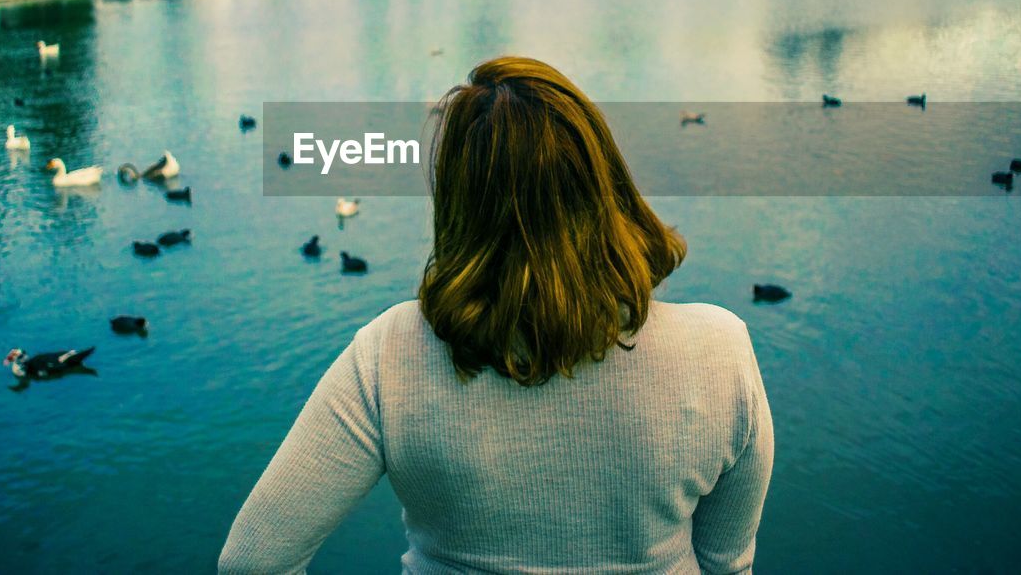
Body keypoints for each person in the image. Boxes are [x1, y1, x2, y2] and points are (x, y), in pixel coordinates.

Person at [219, 56, 773, 573]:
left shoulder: (391, 352)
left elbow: (251, 562)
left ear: (459, 198)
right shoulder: (720, 349)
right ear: (605, 179)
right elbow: (727, 564)